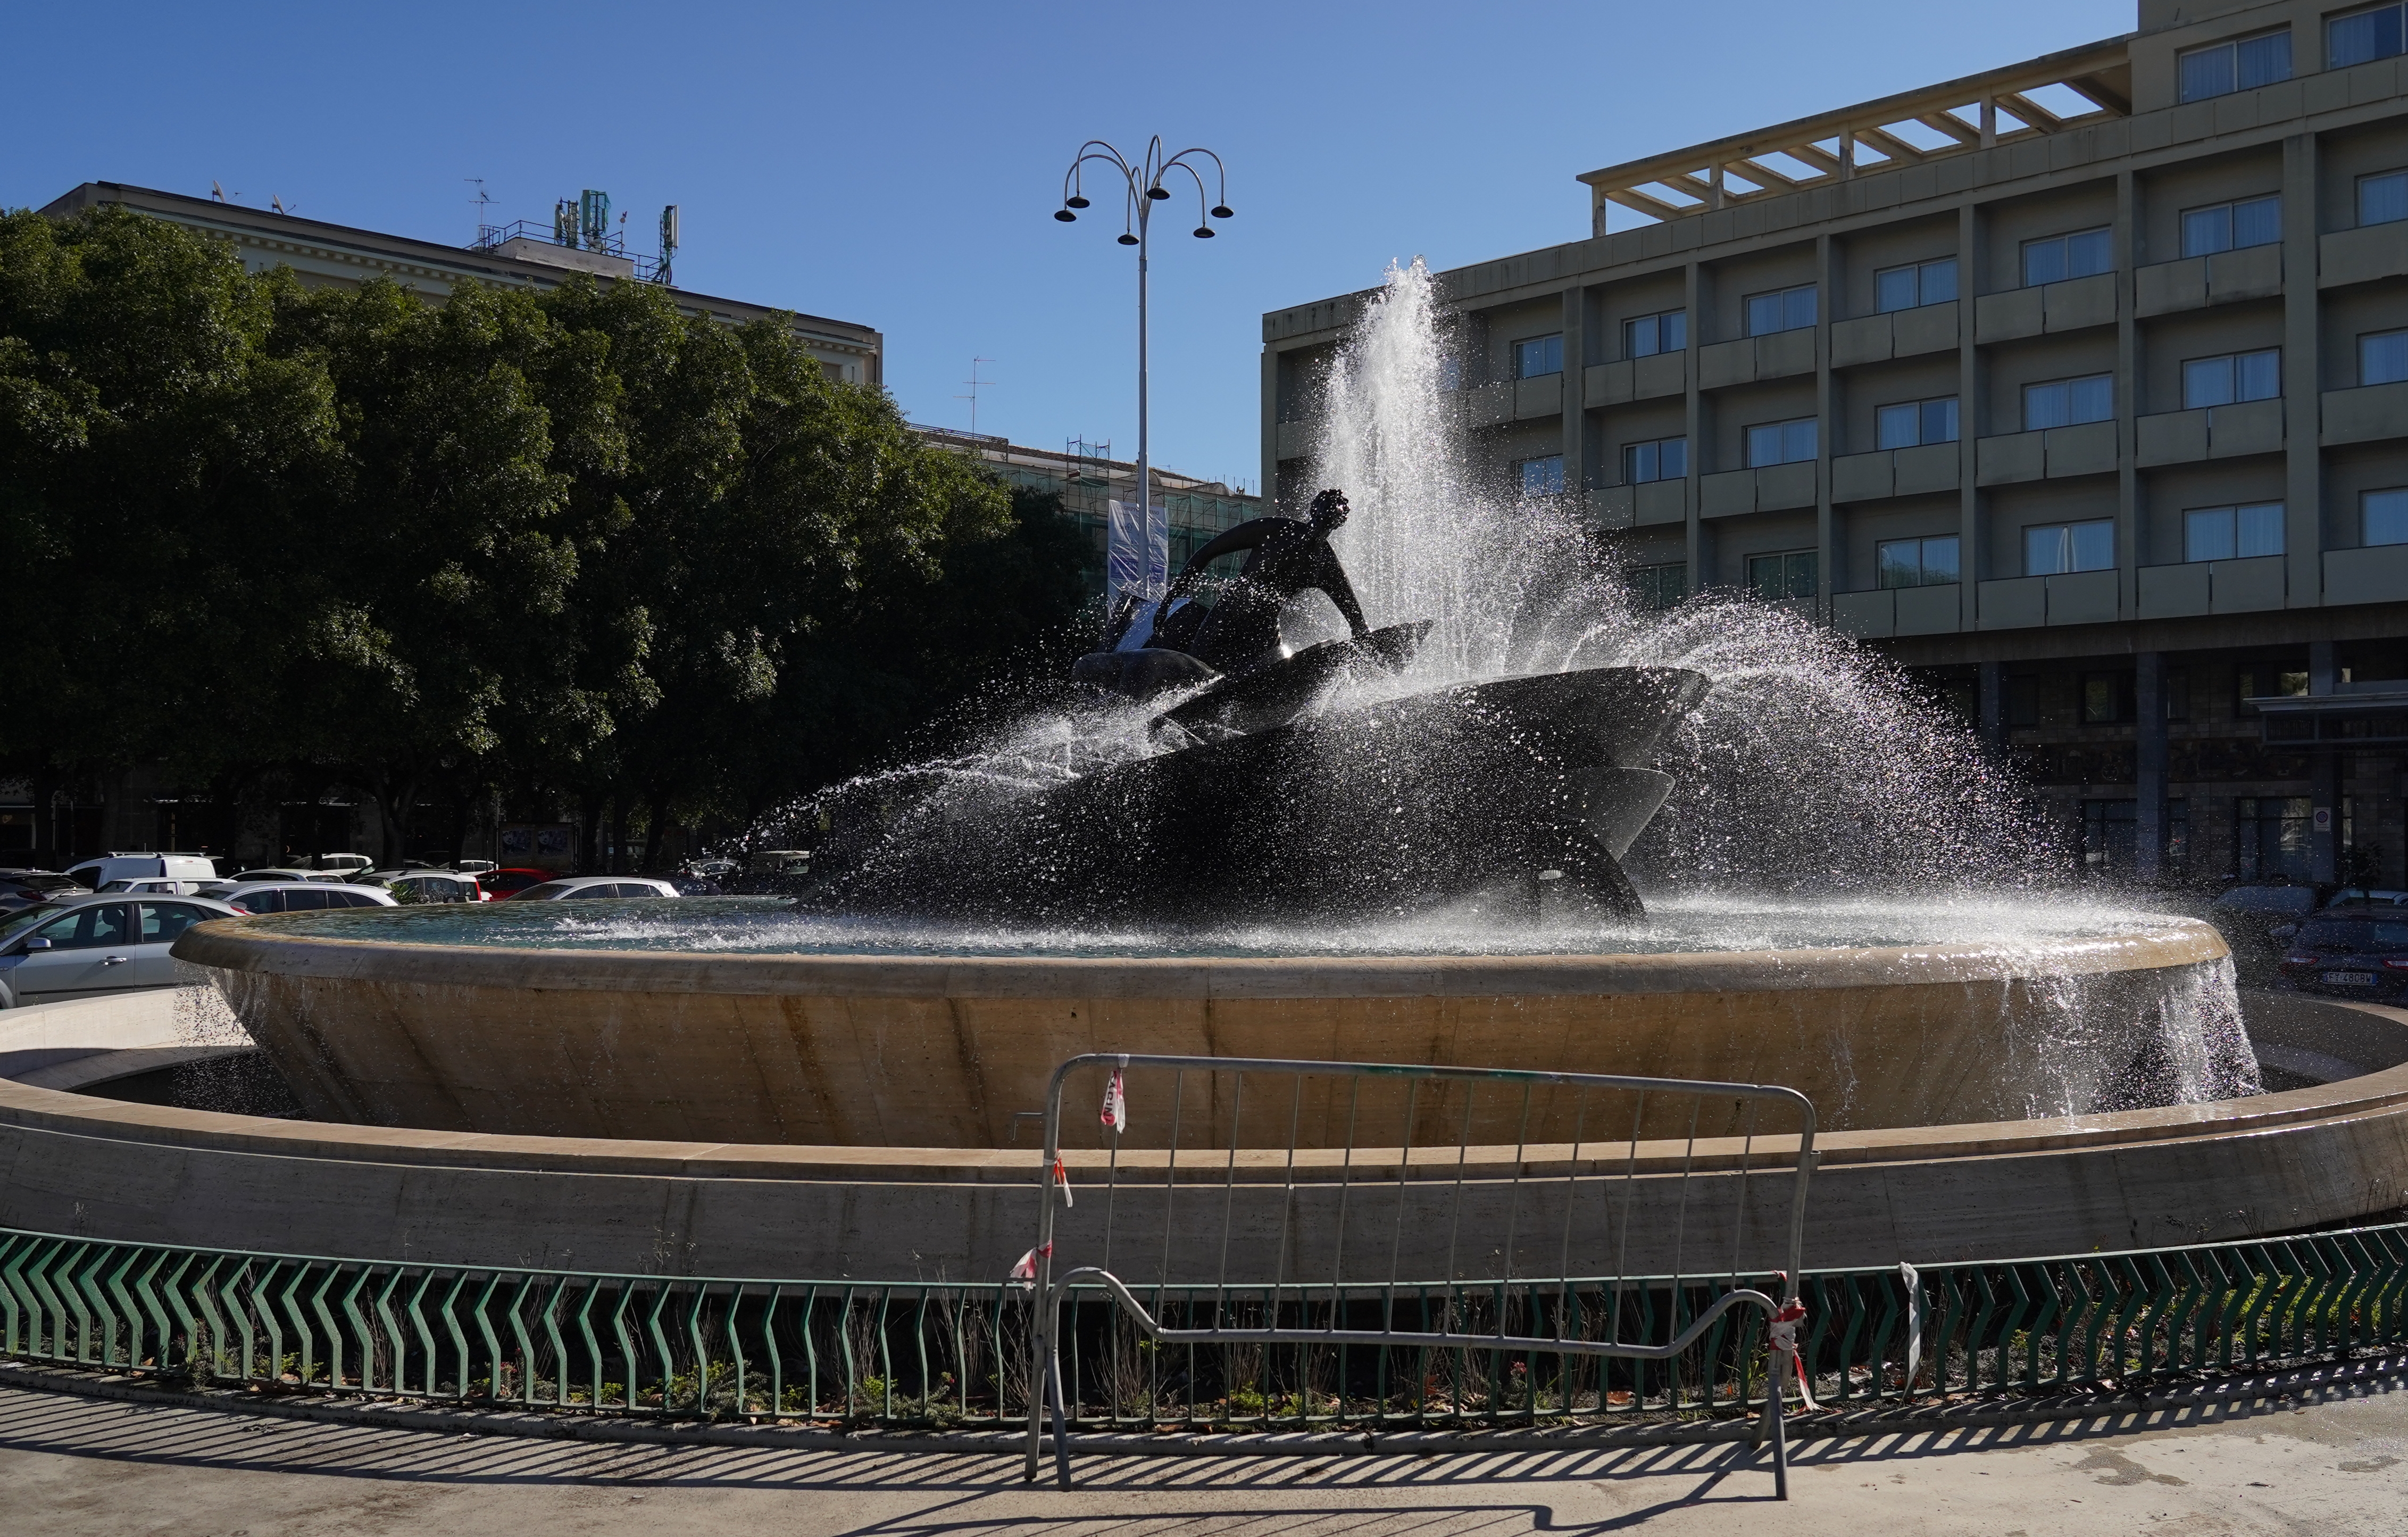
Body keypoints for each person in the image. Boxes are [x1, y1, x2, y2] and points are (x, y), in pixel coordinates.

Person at [1149, 488, 1369, 673]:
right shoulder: (1273, 530)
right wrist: (1167, 602)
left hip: (1265, 630)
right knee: (1196, 670)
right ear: (1314, 510)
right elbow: (1205, 553)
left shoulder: (1326, 564)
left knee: (1267, 679)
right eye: (1325, 509)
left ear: (1340, 522)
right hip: (1228, 614)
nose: (1330, 516)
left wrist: (1368, 655)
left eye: (1336, 512)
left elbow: (1356, 620)